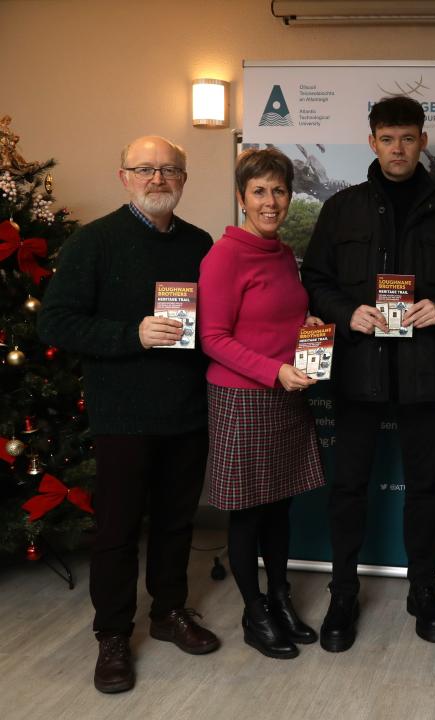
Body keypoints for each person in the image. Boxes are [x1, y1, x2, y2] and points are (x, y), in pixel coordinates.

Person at [37, 135, 219, 694]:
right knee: (117, 531)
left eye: (170, 170)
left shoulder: (199, 243)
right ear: (124, 177)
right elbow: (56, 324)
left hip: (187, 408)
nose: (158, 179)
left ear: (184, 180)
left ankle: (168, 613)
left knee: (176, 522)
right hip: (122, 414)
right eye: (146, 169)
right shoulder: (94, 243)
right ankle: (112, 635)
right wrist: (132, 333)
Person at [300, 96, 435, 651]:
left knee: (425, 489)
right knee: (348, 488)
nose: (398, 148)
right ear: (373, 141)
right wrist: (344, 312)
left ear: (423, 142)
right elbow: (316, 278)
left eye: (407, 138)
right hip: (358, 370)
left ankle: (422, 591)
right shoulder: (343, 208)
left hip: (425, 372)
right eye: (387, 138)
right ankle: (343, 594)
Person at [198, 148, 325, 660]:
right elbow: (212, 337)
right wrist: (274, 370)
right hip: (243, 397)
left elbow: (274, 319)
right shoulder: (225, 255)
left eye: (279, 191)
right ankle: (254, 611)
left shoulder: (281, 254)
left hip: (287, 394)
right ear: (241, 197)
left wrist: (308, 329)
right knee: (249, 513)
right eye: (259, 191)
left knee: (280, 507)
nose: (270, 202)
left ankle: (279, 597)